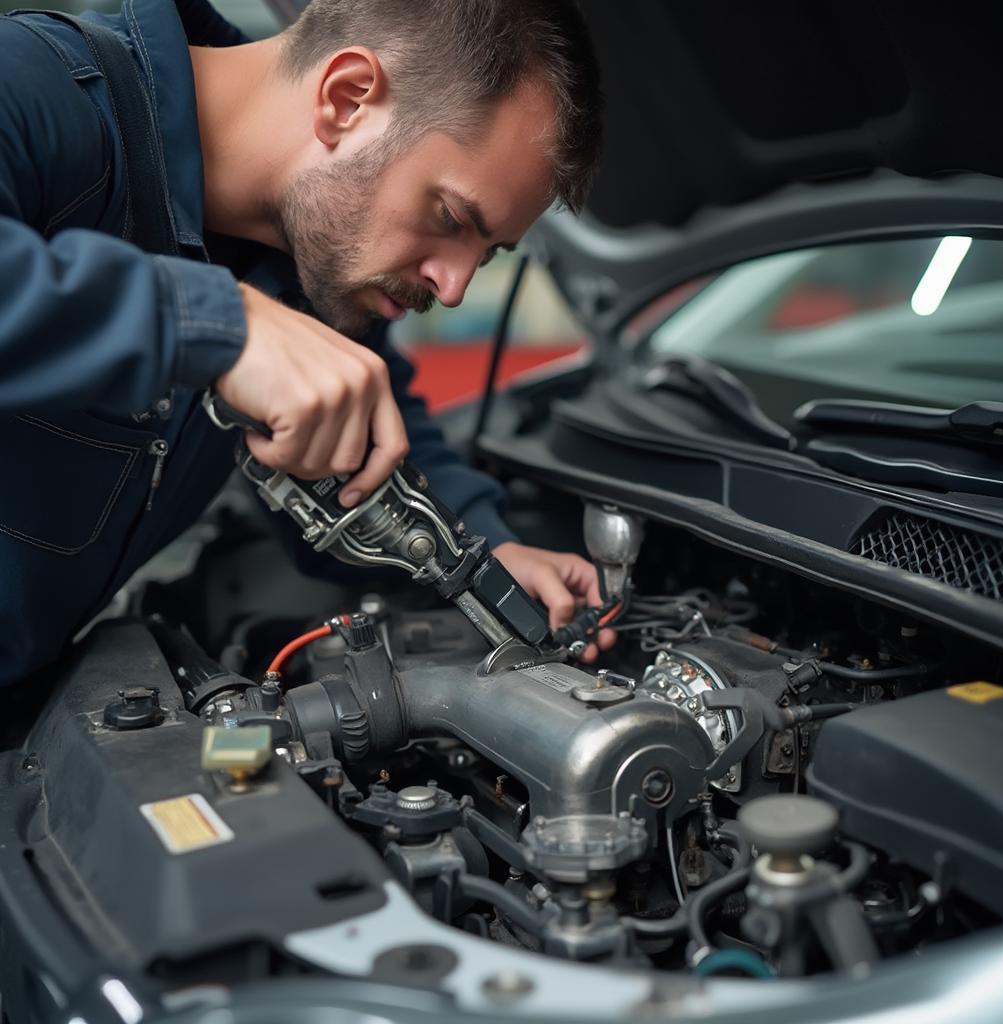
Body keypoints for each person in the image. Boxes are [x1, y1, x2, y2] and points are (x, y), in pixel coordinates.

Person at [0, 0, 614, 688]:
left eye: (489, 254)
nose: (454, 288)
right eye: (449, 217)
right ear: (346, 99)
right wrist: (216, 323)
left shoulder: (310, 272)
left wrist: (485, 550)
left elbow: (373, 427)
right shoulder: (32, 87)